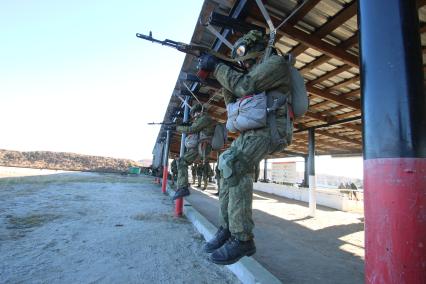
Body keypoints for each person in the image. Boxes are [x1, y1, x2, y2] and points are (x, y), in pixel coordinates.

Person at [198, 30, 294, 264]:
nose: (243, 62)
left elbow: (245, 85)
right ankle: (228, 228)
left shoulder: (275, 64)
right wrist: (219, 71)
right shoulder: (253, 70)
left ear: (256, 47)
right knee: (224, 165)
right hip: (251, 132)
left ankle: (242, 239)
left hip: (270, 130)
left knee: (235, 164)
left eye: (244, 56)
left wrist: (220, 67)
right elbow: (233, 102)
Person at [173, 104, 215, 200]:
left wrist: (178, 127)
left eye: (194, 114)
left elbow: (192, 129)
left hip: (202, 145)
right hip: (199, 145)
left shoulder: (205, 118)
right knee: (181, 161)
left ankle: (183, 187)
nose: (194, 117)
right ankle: (183, 186)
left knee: (182, 161)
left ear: (199, 112)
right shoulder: (202, 119)